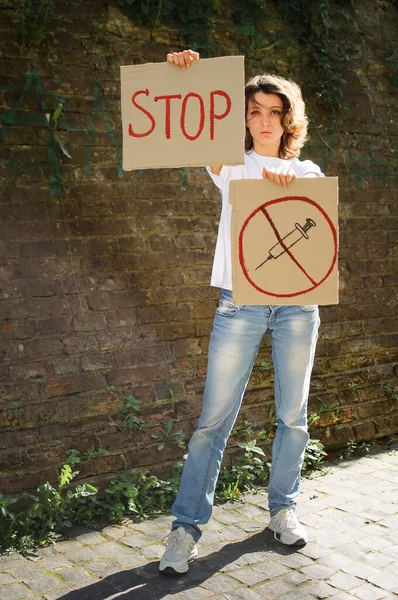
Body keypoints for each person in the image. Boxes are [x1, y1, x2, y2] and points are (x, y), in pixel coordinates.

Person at [159, 49, 323, 574]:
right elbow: (193, 116)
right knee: (213, 422)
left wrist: (292, 183)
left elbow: (317, 203)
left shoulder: (308, 169)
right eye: (254, 111)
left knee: (292, 416)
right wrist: (185, 71)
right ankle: (184, 530)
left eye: (274, 112)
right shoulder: (230, 163)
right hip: (241, 304)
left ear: (288, 119)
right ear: (242, 119)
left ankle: (283, 511)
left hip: (298, 307)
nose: (264, 121)